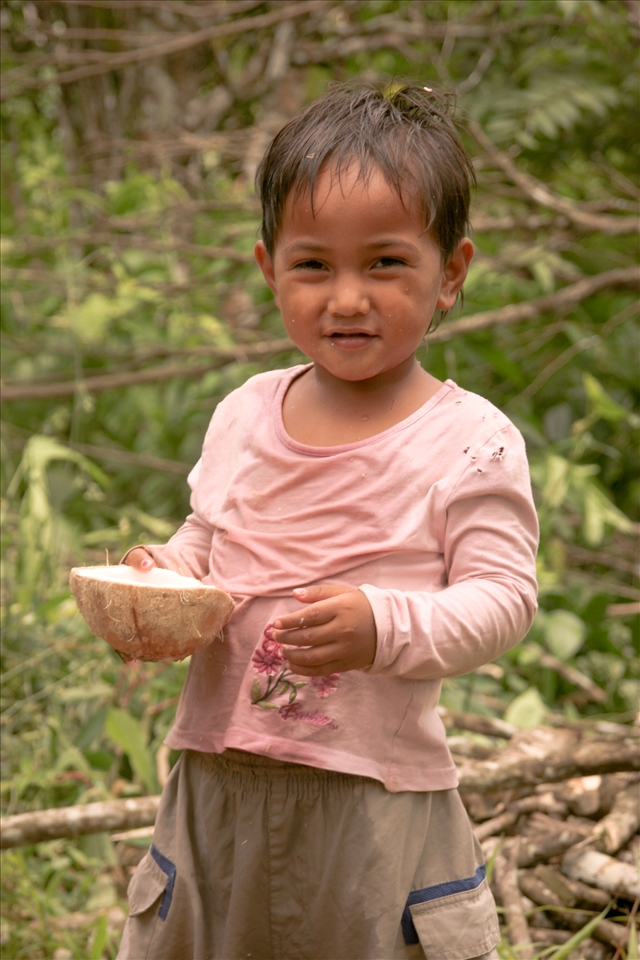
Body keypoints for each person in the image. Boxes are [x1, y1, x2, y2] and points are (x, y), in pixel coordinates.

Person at [116, 82, 538, 960]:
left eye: (385, 263)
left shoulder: (471, 442)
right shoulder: (244, 413)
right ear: (270, 269)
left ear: (450, 273)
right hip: (215, 784)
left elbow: (503, 599)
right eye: (315, 265)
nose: (347, 298)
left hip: (371, 802)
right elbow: (211, 540)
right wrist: (168, 580)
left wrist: (383, 625)